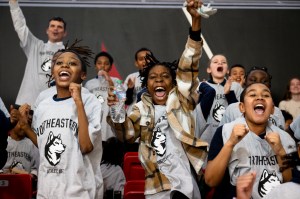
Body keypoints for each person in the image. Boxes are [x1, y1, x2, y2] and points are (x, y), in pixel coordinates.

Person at [107, 1, 209, 198]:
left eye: (165, 76)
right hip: (157, 184)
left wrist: (195, 23)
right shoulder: (139, 109)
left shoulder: (181, 99)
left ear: (173, 83)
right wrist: (116, 108)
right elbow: (126, 134)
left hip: (186, 183)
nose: (159, 79)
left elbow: (188, 63)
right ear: (147, 84)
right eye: (153, 77)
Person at [19, 41, 103, 198]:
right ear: (53, 71)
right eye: (59, 63)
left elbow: (86, 147)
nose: (65, 66)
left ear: (83, 75)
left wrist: (78, 102)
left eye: (72, 63)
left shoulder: (90, 101)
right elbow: (43, 143)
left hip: (77, 190)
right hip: (46, 189)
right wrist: (25, 128)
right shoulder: (43, 104)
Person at [204, 83, 297, 199]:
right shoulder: (225, 132)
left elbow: (291, 184)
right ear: (242, 107)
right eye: (252, 94)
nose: (260, 97)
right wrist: (230, 143)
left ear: (272, 108)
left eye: (266, 95)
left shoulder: (285, 138)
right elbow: (210, 181)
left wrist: (280, 152)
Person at [9, 0, 67, 106]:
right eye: (52, 26)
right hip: (28, 104)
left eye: (59, 27)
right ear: (47, 30)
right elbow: (21, 27)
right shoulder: (35, 45)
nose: (55, 29)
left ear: (65, 33)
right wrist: (13, 4)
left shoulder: (68, 54)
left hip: (53, 104)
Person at [219, 66, 285, 130]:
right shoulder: (232, 108)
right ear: (245, 81)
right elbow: (221, 134)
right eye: (253, 80)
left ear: (269, 85)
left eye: (264, 81)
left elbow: (282, 136)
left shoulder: (277, 111)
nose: (258, 83)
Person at [202, 54, 243, 144]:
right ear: (209, 69)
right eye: (215, 62)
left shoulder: (236, 86)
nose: (220, 63)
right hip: (206, 136)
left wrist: (229, 94)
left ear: (227, 70)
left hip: (229, 133)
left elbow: (240, 113)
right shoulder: (202, 86)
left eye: (223, 62)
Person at [84, 51, 120, 141]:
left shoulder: (117, 81)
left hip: (110, 122)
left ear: (111, 66)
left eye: (106, 64)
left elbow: (122, 98)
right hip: (94, 121)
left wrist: (109, 80)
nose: (102, 66)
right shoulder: (89, 84)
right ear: (95, 65)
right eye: (99, 63)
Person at [124, 47, 153, 114]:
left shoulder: (159, 77)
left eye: (148, 58)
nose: (145, 61)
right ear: (136, 63)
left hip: (152, 115)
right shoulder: (131, 77)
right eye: (141, 59)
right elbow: (126, 102)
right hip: (134, 115)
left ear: (153, 60)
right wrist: (130, 89)